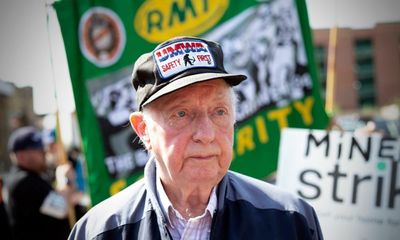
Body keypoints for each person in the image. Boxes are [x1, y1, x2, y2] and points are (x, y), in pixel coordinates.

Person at [69, 36, 323, 239]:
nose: (206, 134)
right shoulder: (98, 232)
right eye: (181, 114)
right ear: (143, 129)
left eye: (219, 112)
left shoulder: (291, 220)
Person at [5, 126, 71, 240]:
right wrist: (64, 179)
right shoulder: (24, 182)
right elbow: (62, 209)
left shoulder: (31, 177)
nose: (44, 152)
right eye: (38, 149)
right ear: (21, 156)